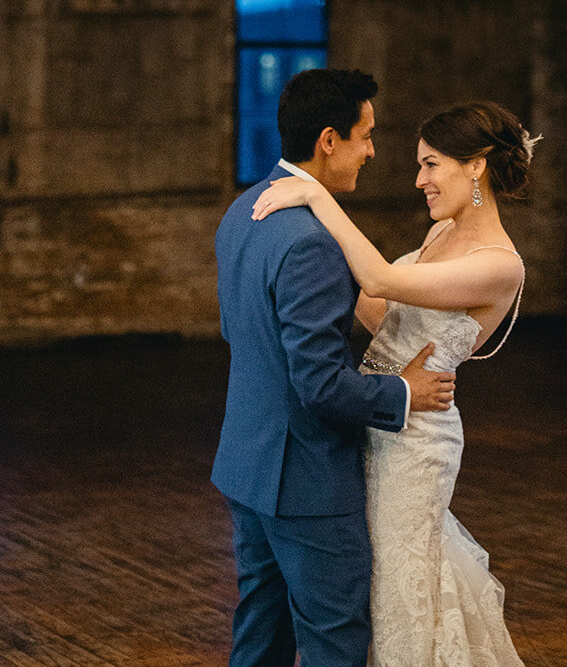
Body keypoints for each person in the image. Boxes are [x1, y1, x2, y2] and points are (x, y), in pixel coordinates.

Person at [253, 99, 533, 667]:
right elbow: (380, 311)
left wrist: (314, 195)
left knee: (398, 580)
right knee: (372, 571)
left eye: (431, 165)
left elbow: (380, 276)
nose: (419, 180)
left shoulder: (501, 263)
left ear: (475, 166)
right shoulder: (439, 236)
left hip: (418, 442)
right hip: (380, 412)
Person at [211, 68, 456, 667]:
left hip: (246, 462)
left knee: (260, 640)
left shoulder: (243, 211)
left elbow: (238, 334)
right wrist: (403, 392)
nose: (373, 151)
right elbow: (320, 385)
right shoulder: (312, 241)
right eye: (365, 136)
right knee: (334, 642)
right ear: (329, 140)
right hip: (306, 481)